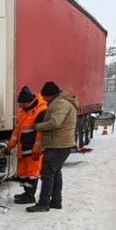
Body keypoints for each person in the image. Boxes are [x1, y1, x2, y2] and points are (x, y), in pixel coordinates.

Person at [28, 81, 78, 212]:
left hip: (58, 144)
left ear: (51, 95)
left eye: (45, 97)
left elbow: (55, 123)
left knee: (47, 173)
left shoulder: (61, 103)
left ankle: (43, 204)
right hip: (60, 144)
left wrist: (38, 127)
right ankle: (55, 201)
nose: (44, 99)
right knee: (55, 172)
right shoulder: (60, 101)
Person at [8, 86, 48, 204]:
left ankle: (30, 196)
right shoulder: (23, 111)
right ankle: (27, 193)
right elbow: (17, 130)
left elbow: (41, 133)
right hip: (24, 148)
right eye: (20, 105)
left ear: (30, 102)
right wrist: (10, 145)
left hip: (33, 149)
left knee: (32, 173)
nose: (21, 107)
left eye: (23, 105)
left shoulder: (41, 111)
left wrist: (37, 149)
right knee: (24, 172)